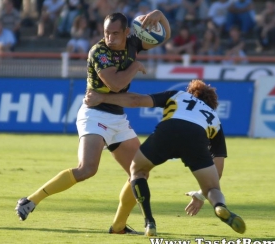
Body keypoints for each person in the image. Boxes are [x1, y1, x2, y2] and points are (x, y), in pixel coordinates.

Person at [15, 10, 171, 235]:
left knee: (140, 173)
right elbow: (116, 85)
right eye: (107, 33)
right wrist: (135, 66)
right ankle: (30, 200)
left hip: (118, 117)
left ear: (127, 32)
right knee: (87, 169)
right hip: (94, 114)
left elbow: (164, 36)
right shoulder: (99, 52)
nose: (110, 38)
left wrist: (159, 15)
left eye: (115, 33)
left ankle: (118, 227)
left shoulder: (133, 44)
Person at [83, 79, 246, 237]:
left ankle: (149, 222)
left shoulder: (179, 95)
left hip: (169, 130)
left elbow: (136, 100)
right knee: (213, 188)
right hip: (197, 138)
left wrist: (103, 97)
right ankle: (219, 207)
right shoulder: (214, 119)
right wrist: (200, 195)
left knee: (137, 170)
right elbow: (218, 170)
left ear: (191, 93)